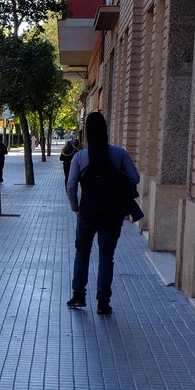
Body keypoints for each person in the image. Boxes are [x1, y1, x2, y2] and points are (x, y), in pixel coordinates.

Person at [66, 111, 140, 315]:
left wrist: (76, 208)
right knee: (106, 257)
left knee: (82, 252)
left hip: (87, 214)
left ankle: (78, 295)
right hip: (112, 214)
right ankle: (103, 302)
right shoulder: (119, 154)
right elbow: (135, 178)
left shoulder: (80, 157)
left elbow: (71, 186)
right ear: (106, 130)